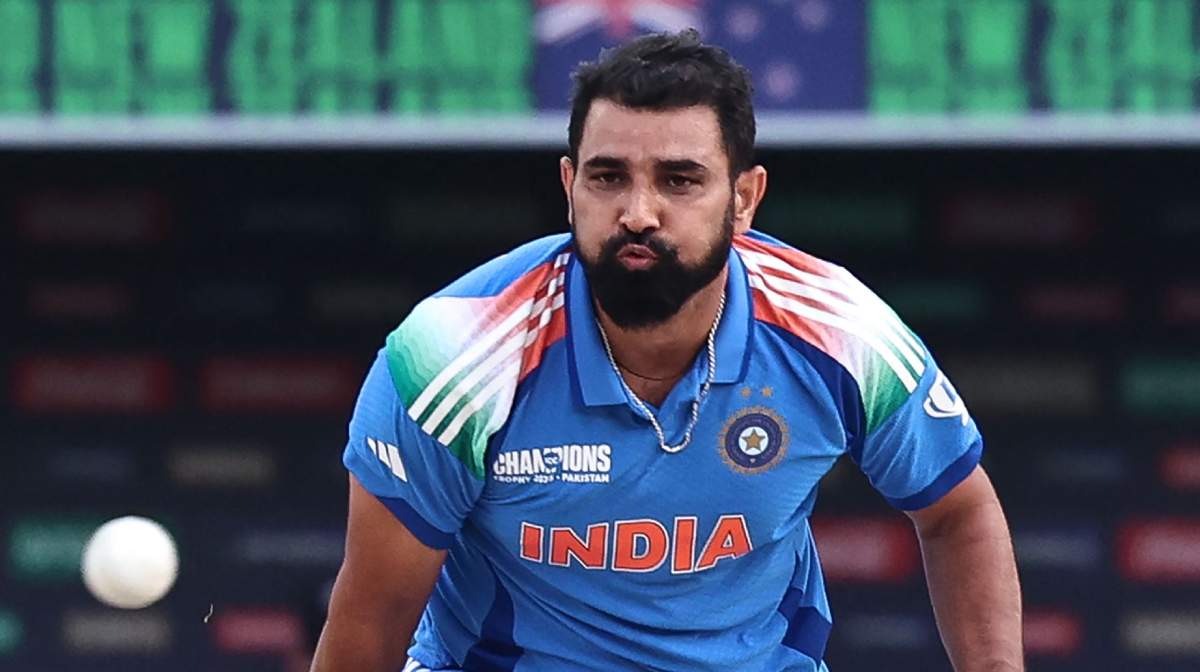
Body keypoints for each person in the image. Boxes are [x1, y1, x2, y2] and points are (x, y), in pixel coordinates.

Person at [311, 29, 1022, 672]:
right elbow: (370, 627)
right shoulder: (452, 354)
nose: (638, 212)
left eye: (680, 180)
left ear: (744, 198)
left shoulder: (841, 331)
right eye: (608, 176)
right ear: (569, 186)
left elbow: (958, 514)